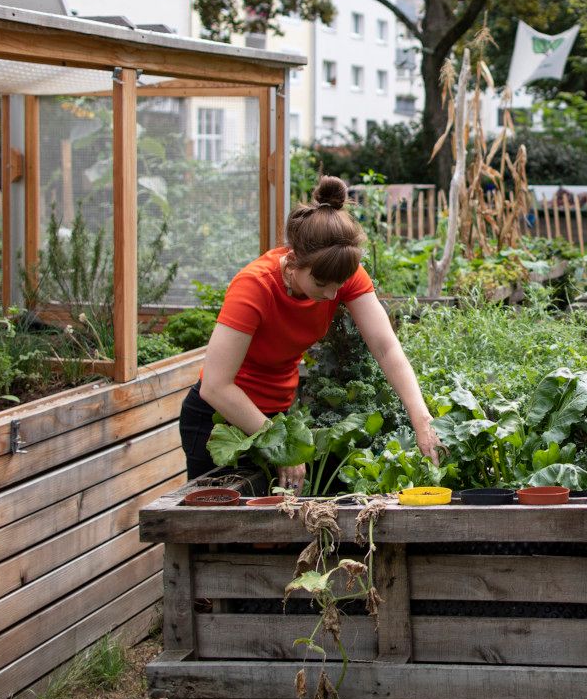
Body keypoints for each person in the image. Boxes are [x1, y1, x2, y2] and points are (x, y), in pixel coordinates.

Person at [177, 175, 440, 487]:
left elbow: (386, 348)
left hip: (276, 417)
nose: (331, 296)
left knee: (273, 529)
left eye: (338, 286)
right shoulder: (254, 287)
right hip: (219, 421)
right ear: (292, 264)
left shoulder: (339, 270)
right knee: (219, 529)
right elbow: (216, 386)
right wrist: (281, 443)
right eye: (321, 285)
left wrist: (421, 417)